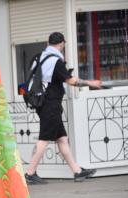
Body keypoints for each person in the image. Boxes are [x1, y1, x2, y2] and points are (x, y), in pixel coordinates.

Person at [24, 32, 102, 185]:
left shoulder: (39, 57)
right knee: (44, 139)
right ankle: (29, 173)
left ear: (48, 43)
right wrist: (91, 83)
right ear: (61, 44)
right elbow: (71, 81)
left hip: (42, 102)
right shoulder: (55, 61)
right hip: (50, 105)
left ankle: (77, 171)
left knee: (62, 139)